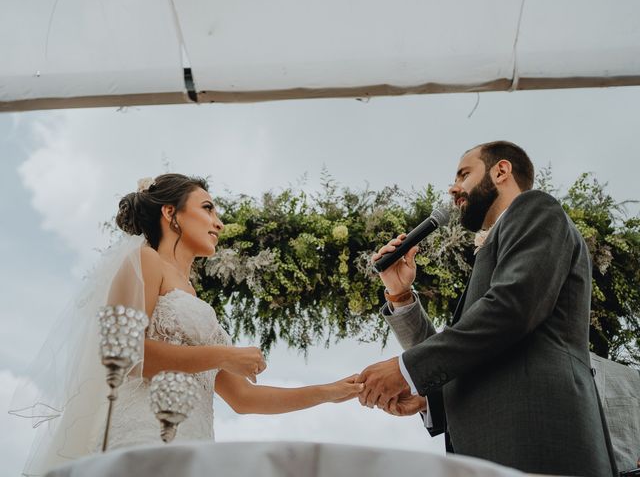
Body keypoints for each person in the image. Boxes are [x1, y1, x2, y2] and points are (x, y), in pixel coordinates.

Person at [11, 173, 362, 476]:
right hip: (142, 440)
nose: (219, 222)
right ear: (171, 213)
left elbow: (244, 397)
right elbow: (123, 355)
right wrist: (223, 355)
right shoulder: (144, 261)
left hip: (192, 446)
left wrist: (330, 392)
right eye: (207, 208)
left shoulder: (193, 296)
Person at [356, 141, 618, 477]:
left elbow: (510, 310)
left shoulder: (536, 209)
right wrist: (400, 294)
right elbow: (475, 348)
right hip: (493, 451)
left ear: (501, 170)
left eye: (464, 174)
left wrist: (407, 370)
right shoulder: (493, 249)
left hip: (538, 442)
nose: (453, 188)